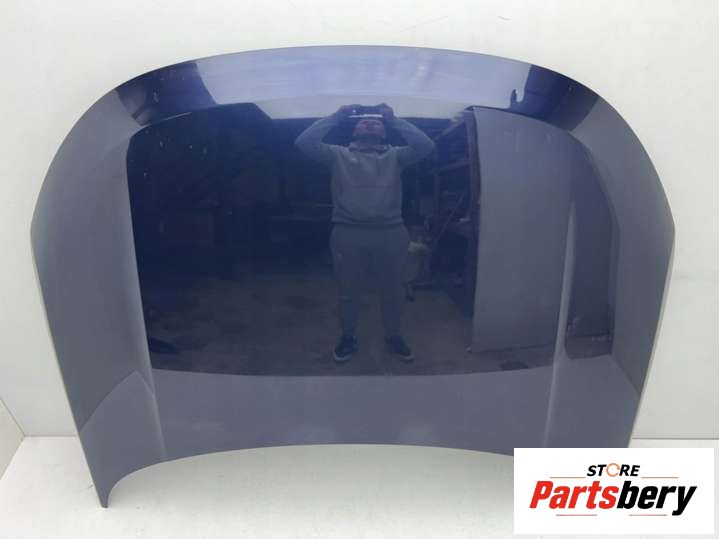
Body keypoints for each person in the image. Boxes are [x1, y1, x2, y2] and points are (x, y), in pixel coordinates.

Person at [295, 103, 435, 363]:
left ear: (385, 131)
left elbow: (426, 146)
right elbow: (304, 142)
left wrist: (395, 119)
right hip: (348, 232)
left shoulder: (397, 156)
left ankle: (393, 335)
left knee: (393, 290)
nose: (370, 122)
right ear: (354, 130)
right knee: (348, 290)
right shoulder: (336, 154)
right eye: (363, 121)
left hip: (391, 232)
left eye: (377, 122)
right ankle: (348, 336)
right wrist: (336, 116)